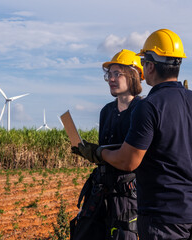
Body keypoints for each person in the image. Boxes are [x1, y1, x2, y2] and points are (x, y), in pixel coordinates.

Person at [75, 29, 192, 239]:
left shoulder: (149, 106)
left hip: (163, 214)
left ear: (150, 66)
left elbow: (128, 162)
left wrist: (98, 153)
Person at [70, 49, 144, 240]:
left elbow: (130, 157)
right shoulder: (106, 111)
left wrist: (98, 152)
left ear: (134, 75)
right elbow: (106, 151)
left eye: (117, 74)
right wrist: (90, 152)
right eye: (109, 74)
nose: (111, 79)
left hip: (127, 195)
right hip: (101, 190)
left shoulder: (143, 110)